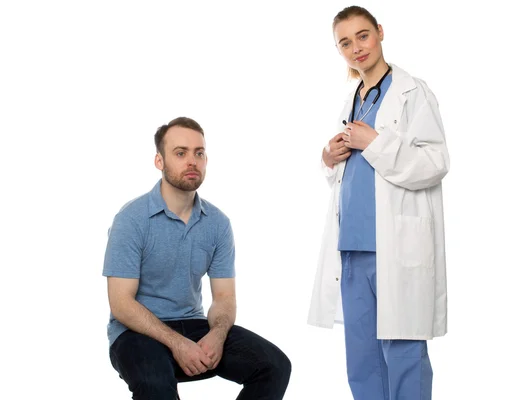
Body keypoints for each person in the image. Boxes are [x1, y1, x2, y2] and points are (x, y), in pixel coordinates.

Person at [307, 6, 450, 400]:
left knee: (403, 355)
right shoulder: (354, 98)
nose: (357, 48)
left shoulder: (411, 91)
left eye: (363, 35)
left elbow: (435, 163)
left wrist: (375, 143)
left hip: (395, 249)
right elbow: (352, 177)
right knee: (363, 362)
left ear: (381, 33)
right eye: (345, 42)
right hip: (351, 251)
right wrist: (329, 159)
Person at [103, 117, 291, 400]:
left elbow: (224, 297)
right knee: (156, 383)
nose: (192, 161)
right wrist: (176, 343)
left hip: (192, 324)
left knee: (275, 366)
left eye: (199, 153)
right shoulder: (131, 219)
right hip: (135, 333)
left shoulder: (217, 223)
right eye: (180, 153)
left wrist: (217, 333)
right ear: (159, 161)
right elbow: (120, 304)